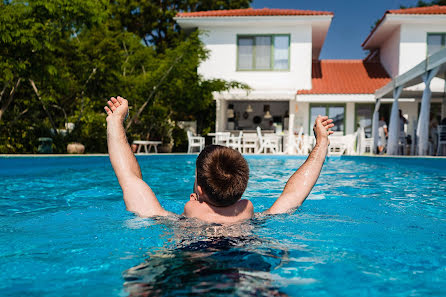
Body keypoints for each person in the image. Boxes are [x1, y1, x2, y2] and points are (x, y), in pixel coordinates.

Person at [104, 96, 334, 223]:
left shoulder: (179, 221)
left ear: (199, 190)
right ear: (241, 190)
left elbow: (129, 178)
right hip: (248, 268)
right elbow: (294, 194)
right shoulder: (252, 218)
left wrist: (115, 121)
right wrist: (321, 142)